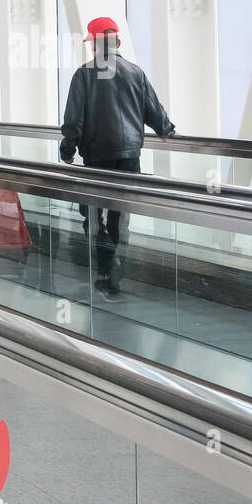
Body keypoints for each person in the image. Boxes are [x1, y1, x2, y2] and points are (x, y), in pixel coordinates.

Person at [60, 16, 176, 301]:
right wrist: (167, 130)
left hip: (97, 158)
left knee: (93, 215)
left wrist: (67, 150)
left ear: (94, 45)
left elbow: (74, 120)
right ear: (118, 42)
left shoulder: (84, 75)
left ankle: (103, 271)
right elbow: (153, 109)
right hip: (130, 157)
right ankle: (114, 274)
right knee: (120, 217)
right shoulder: (136, 73)